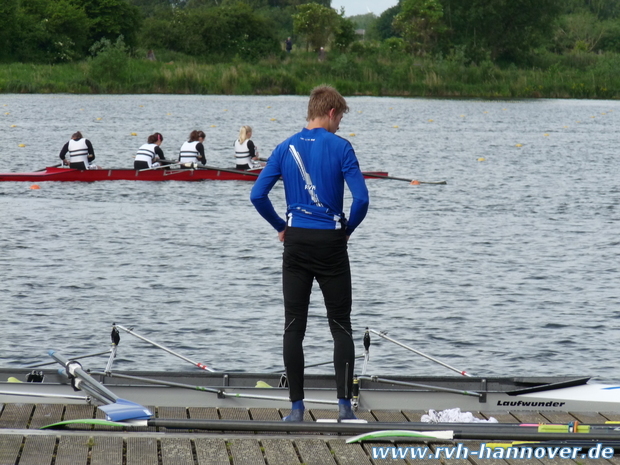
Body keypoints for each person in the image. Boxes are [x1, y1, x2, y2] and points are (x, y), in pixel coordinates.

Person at [250, 85, 369, 422]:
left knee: (293, 326)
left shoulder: (284, 147)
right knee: (340, 326)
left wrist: (281, 226)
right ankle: (345, 407)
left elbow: (257, 195)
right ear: (331, 112)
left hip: (297, 242)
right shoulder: (342, 148)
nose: (340, 125)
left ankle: (296, 409)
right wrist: (347, 230)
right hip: (331, 242)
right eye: (340, 117)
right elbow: (361, 200)